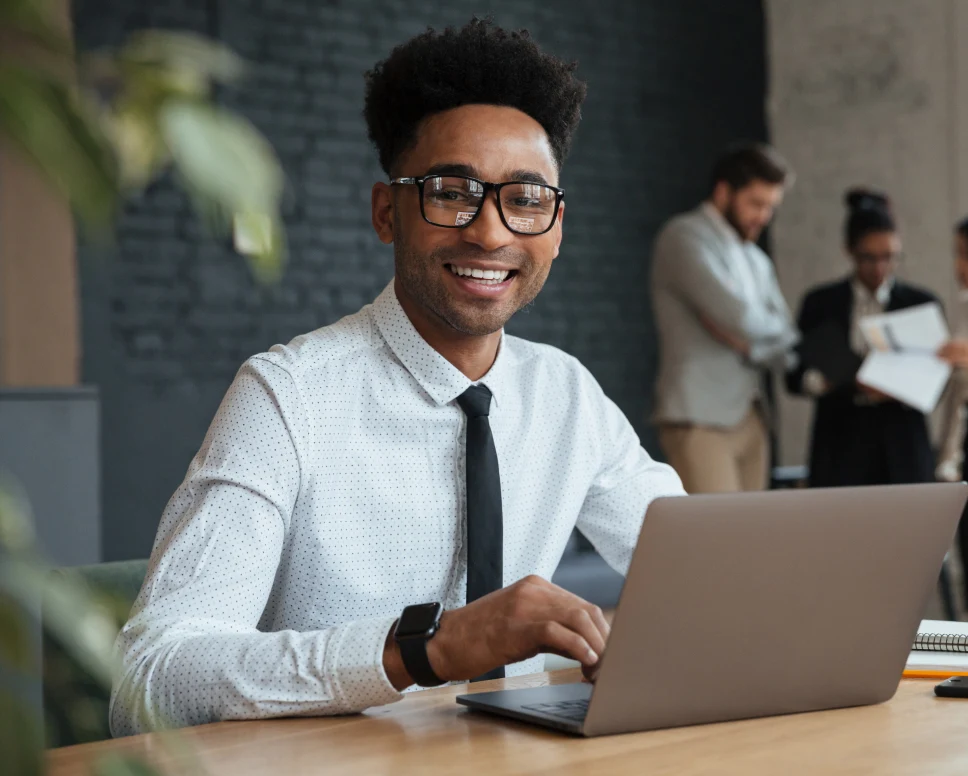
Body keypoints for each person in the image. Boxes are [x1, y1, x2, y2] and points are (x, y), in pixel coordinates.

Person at [109, 19, 685, 736]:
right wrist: (426, 648)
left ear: (556, 226)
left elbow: (704, 572)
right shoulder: (289, 397)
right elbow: (150, 681)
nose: (492, 232)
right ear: (388, 213)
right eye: (452, 192)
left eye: (526, 199)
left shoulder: (567, 394)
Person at [651, 143, 798, 494]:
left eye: (770, 207)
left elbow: (789, 336)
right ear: (723, 191)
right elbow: (739, 317)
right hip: (699, 418)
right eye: (756, 203)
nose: (763, 216)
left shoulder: (755, 258)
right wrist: (755, 328)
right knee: (718, 544)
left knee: (752, 543)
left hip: (752, 416)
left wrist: (750, 347)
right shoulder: (684, 236)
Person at [786, 189, 938, 488]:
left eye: (890, 257)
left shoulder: (920, 303)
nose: (880, 268)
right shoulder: (821, 303)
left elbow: (937, 381)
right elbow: (793, 375)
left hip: (902, 444)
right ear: (849, 251)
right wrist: (827, 380)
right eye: (869, 258)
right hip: (841, 441)